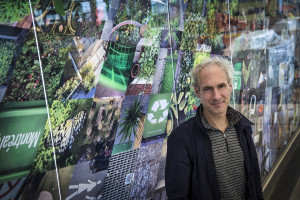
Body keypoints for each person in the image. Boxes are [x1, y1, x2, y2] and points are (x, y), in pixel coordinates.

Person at [165, 57, 263, 200]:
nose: (216, 96)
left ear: (230, 86)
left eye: (221, 86)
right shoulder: (181, 139)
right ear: (197, 92)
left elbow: (254, 180)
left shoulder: (242, 127)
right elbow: (178, 196)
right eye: (208, 89)